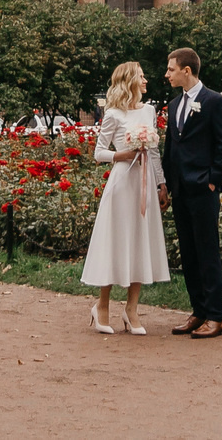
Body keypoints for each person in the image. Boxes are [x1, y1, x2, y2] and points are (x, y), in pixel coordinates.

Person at [81, 61, 171, 333]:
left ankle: (132, 309)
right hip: (122, 183)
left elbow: (153, 152)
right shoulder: (113, 114)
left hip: (143, 185)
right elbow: (99, 153)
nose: (146, 81)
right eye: (142, 77)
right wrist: (122, 155)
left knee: (139, 240)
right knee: (115, 241)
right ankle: (103, 305)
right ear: (129, 80)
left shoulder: (149, 111)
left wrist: (161, 183)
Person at [158, 47, 222, 340]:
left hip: (203, 189)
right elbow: (170, 148)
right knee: (189, 253)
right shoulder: (174, 105)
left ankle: (217, 316)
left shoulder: (214, 101)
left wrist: (213, 181)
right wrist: (165, 184)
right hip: (180, 190)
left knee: (207, 252)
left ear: (186, 71)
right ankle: (198, 311)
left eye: (171, 69)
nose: (167, 74)